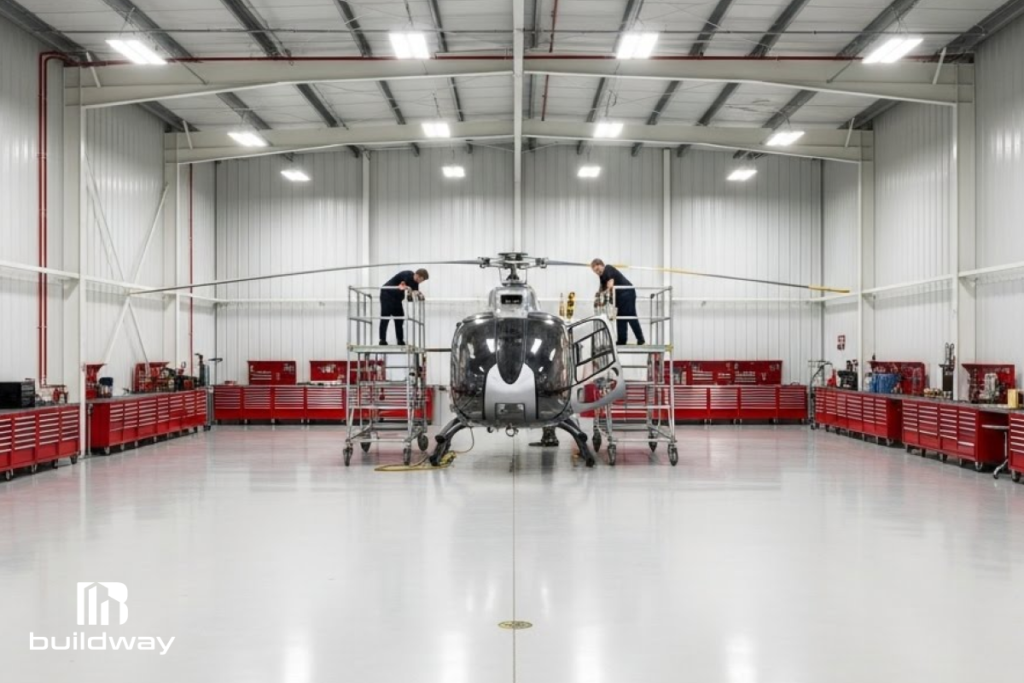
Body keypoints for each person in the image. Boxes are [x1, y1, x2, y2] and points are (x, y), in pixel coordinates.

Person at [591, 258, 645, 345]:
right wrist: (598, 298)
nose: (597, 272)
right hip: (619, 296)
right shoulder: (602, 277)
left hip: (627, 292)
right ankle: (622, 340)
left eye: (597, 269)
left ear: (601, 265)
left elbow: (610, 284)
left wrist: (605, 292)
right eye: (595, 272)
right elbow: (602, 289)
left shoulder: (608, 269)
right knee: (620, 317)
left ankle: (641, 339)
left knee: (630, 315)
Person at [379, 268, 429, 346]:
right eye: (421, 280)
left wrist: (419, 294)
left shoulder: (415, 283)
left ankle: (400, 340)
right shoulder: (407, 274)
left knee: (400, 319)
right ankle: (382, 340)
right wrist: (408, 289)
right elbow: (404, 283)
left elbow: (414, 292)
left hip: (397, 298)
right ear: (418, 275)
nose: (421, 282)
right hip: (387, 294)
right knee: (385, 317)